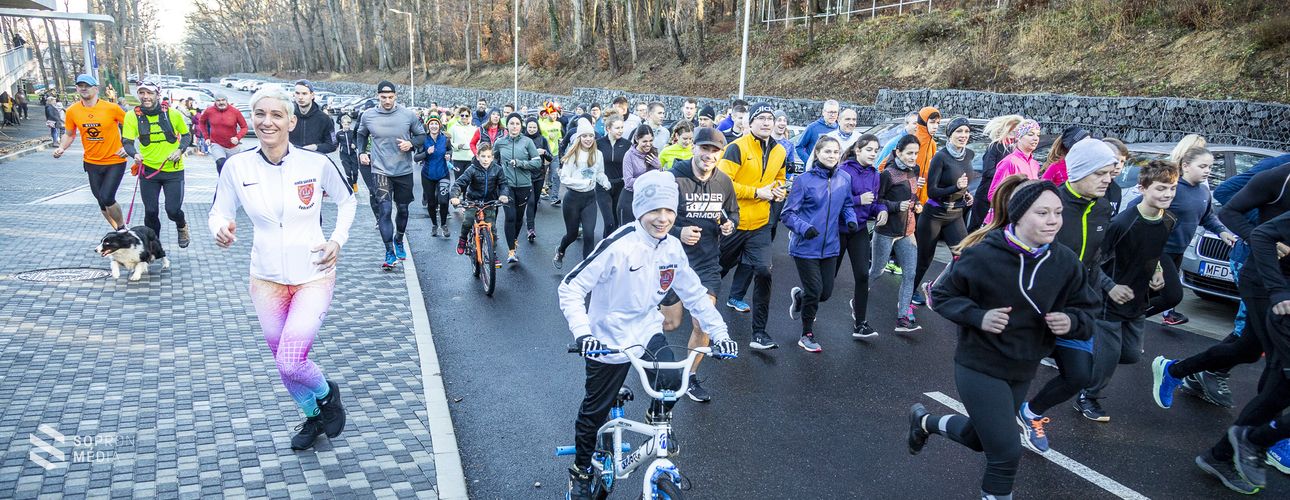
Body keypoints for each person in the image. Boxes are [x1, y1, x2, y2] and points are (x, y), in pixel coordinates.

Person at [910, 179, 1097, 500]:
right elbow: (940, 295)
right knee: (1007, 452)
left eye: (1058, 212)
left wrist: (1072, 321)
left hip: (1022, 368)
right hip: (979, 365)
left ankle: (924, 421)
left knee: (979, 438)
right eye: (1043, 213)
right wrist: (978, 316)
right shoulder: (983, 254)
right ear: (1019, 215)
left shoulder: (1065, 262)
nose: (1053, 220)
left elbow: (1088, 312)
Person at [559, 169, 738, 500]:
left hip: (646, 329)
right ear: (640, 210)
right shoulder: (620, 244)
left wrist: (720, 332)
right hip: (608, 339)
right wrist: (584, 334)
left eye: (669, 210)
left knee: (670, 380)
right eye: (655, 210)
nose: (663, 218)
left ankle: (658, 423)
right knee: (593, 412)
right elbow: (570, 287)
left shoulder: (671, 247)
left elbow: (696, 294)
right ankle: (581, 472)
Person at [208, 85, 355, 451]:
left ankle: (326, 395)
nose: (267, 122)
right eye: (260, 114)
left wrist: (337, 239)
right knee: (282, 361)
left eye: (276, 115)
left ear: (291, 121)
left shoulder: (315, 163)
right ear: (251, 120)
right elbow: (219, 211)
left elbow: (348, 200)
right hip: (266, 279)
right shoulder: (236, 166)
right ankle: (313, 417)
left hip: (314, 274)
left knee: (292, 361)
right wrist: (220, 229)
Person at [1015, 138, 1120, 430]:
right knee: (1015, 374)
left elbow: (1096, 256)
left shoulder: (1102, 207)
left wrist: (1096, 293)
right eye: (1100, 173)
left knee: (1078, 376)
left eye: (1110, 173)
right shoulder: (1050, 205)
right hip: (1037, 307)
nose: (1107, 180)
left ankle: (1031, 413)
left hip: (1075, 309)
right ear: (1079, 171)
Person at [661, 127, 739, 401]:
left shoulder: (724, 182)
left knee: (702, 324)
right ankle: (648, 351)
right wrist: (677, 231)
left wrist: (730, 225)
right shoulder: (673, 178)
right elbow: (652, 218)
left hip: (706, 264)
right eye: (704, 148)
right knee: (670, 322)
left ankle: (689, 377)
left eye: (715, 150)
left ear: (720, 154)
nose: (709, 155)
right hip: (671, 262)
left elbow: (732, 214)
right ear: (693, 148)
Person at [718, 103, 788, 349]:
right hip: (733, 221)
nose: (767, 122)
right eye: (762, 118)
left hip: (760, 224)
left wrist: (779, 191)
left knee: (764, 272)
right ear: (750, 122)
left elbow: (780, 178)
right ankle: (700, 318)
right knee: (717, 271)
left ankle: (759, 333)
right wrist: (756, 192)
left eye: (771, 118)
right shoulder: (736, 147)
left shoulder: (780, 150)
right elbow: (722, 183)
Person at [783, 136, 858, 352]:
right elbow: (788, 214)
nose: (832, 156)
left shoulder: (844, 178)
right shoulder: (803, 181)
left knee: (825, 293)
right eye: (827, 152)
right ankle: (806, 334)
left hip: (831, 246)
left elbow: (847, 205)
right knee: (815, 290)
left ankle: (800, 296)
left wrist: (850, 219)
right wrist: (804, 228)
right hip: (805, 246)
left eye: (835, 152)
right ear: (817, 153)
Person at [1154, 146, 1236, 326]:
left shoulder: (1203, 191)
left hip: (1179, 251)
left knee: (1154, 293)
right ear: (1186, 166)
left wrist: (1222, 232)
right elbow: (1140, 207)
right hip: (1160, 250)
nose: (1207, 171)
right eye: (1202, 166)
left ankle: (1128, 321)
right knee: (1173, 296)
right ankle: (1129, 316)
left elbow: (1207, 217)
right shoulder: (1173, 188)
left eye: (1210, 167)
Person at [357, 81, 427, 268]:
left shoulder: (407, 115)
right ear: (378, 96)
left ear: (395, 96)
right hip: (380, 170)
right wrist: (362, 152)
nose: (387, 101)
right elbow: (361, 134)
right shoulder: (368, 115)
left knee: (403, 209)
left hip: (403, 170)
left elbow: (422, 136)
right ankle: (389, 252)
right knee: (385, 210)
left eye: (390, 97)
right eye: (383, 97)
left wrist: (411, 143)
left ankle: (398, 239)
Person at [911, 117, 974, 306]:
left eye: (966, 132)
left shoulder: (969, 155)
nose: (963, 135)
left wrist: (966, 195)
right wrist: (956, 187)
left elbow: (963, 184)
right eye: (959, 132)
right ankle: (908, 293)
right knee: (924, 260)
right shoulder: (941, 157)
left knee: (964, 255)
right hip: (934, 214)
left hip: (955, 214)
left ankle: (939, 288)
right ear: (950, 134)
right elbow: (933, 191)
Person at [52, 74, 128, 230]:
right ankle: (117, 232)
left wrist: (127, 147)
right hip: (92, 162)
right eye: (80, 86)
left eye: (87, 85)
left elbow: (131, 127)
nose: (83, 88)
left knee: (107, 197)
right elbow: (69, 133)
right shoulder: (73, 110)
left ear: (96, 88)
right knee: (101, 200)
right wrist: (61, 147)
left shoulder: (112, 108)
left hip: (114, 160)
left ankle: (122, 228)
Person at [122, 81, 193, 248]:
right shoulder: (132, 116)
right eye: (142, 93)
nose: (145, 97)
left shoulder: (172, 114)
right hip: (148, 171)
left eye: (150, 93)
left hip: (173, 171)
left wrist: (180, 150)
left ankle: (182, 226)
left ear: (157, 95)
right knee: (151, 211)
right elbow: (127, 141)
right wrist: (135, 154)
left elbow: (186, 136)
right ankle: (154, 246)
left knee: (172, 210)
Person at [871, 135, 923, 332]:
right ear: (898, 152)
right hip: (887, 231)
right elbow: (878, 201)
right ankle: (859, 298)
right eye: (909, 153)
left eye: (916, 153)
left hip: (908, 231)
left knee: (910, 274)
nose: (913, 157)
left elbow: (912, 195)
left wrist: (917, 205)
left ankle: (903, 317)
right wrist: (895, 206)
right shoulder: (887, 174)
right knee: (877, 271)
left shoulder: (915, 170)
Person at [836, 134, 886, 338]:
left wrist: (881, 209)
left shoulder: (875, 174)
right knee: (829, 279)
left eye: (876, 150)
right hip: (839, 229)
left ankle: (861, 324)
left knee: (863, 275)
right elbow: (835, 200)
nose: (873, 153)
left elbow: (874, 201)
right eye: (869, 149)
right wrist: (858, 199)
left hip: (859, 229)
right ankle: (804, 298)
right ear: (858, 150)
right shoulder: (844, 170)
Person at [554, 122, 609, 268]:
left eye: (591, 135)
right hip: (572, 200)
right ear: (579, 137)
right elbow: (564, 179)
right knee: (572, 235)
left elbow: (600, 173)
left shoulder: (598, 154)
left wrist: (604, 181)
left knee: (589, 235)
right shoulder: (572, 155)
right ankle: (560, 250)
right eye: (584, 136)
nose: (588, 139)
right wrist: (582, 183)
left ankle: (586, 269)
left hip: (590, 200)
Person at [492, 112, 542, 265]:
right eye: (511, 123)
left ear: (521, 126)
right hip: (506, 186)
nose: (514, 126)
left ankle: (513, 240)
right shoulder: (500, 142)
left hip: (524, 186)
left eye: (517, 124)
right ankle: (511, 251)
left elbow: (537, 163)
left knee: (519, 219)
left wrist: (521, 163)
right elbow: (492, 162)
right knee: (510, 217)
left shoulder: (527, 142)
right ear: (507, 125)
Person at [450, 142, 510, 262]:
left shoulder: (497, 169)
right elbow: (459, 183)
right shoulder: (472, 169)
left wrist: (503, 194)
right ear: (477, 156)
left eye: (488, 156)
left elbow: (503, 183)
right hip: (473, 201)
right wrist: (455, 196)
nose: (485, 159)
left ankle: (492, 253)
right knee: (468, 220)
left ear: (492, 157)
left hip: (489, 202)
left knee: (492, 228)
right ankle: (462, 240)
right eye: (483, 156)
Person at [968, 115, 1024, 231]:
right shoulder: (995, 146)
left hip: (1003, 196)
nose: (1015, 132)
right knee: (976, 230)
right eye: (1014, 129)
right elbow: (988, 171)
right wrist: (1008, 175)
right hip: (986, 195)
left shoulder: (1016, 149)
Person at [982, 119, 1041, 225]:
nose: (1035, 138)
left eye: (1038, 135)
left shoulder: (1034, 164)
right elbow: (993, 195)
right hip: (1004, 222)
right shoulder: (1009, 162)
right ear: (1019, 137)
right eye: (1030, 134)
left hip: (1024, 220)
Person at [618, 125, 660, 228]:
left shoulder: (653, 153)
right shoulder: (629, 155)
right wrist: (647, 180)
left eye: (651, 141)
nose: (648, 144)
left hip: (647, 198)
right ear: (637, 139)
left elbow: (658, 178)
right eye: (645, 141)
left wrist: (659, 166)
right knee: (628, 233)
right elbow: (628, 182)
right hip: (630, 198)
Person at [417, 114, 452, 237]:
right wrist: (427, 152)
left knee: (443, 200)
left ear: (439, 125)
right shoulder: (423, 140)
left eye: (436, 123)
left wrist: (449, 155)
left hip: (443, 174)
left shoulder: (445, 139)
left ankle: (443, 224)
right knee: (431, 203)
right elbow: (416, 158)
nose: (434, 126)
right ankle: (434, 225)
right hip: (428, 175)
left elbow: (449, 150)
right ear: (428, 126)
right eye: (431, 123)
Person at [596, 115, 630, 237]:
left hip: (620, 185)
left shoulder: (627, 144)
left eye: (622, 127)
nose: (620, 130)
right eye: (617, 128)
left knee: (615, 222)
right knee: (609, 221)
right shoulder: (598, 144)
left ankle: (608, 245)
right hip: (603, 186)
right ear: (608, 129)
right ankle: (605, 248)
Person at [524, 116, 554, 239]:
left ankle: (530, 220)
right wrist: (534, 152)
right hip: (525, 174)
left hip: (539, 175)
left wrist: (544, 152)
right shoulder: (522, 139)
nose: (531, 129)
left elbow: (550, 158)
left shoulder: (543, 139)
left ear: (537, 128)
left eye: (534, 127)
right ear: (526, 127)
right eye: (529, 127)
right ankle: (531, 228)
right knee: (530, 202)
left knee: (535, 201)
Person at [288, 80, 337, 154]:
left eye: (304, 94)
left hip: (315, 160)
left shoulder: (324, 119)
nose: (300, 97)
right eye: (297, 93)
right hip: (291, 160)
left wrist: (316, 147)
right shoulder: (288, 116)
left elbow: (332, 144)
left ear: (312, 95)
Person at [199, 94, 249, 163]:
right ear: (215, 102)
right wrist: (206, 137)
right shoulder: (209, 111)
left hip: (232, 145)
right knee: (220, 162)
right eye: (218, 100)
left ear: (226, 101)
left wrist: (237, 137)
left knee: (232, 167)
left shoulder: (235, 111)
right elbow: (201, 122)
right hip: (216, 143)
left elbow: (244, 127)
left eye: (223, 100)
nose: (221, 102)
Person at [540, 103, 565, 204]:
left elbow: (559, 139)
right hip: (544, 154)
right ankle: (538, 196)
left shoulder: (558, 124)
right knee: (541, 177)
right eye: (552, 114)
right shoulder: (541, 124)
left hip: (554, 155)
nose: (554, 116)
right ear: (548, 114)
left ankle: (554, 198)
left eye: (556, 114)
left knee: (556, 175)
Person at [335, 114, 362, 194]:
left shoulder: (353, 132)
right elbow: (336, 143)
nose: (346, 126)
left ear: (350, 124)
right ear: (342, 124)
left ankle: (354, 183)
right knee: (348, 172)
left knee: (355, 172)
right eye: (344, 124)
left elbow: (358, 141)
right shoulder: (339, 133)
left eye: (348, 124)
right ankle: (350, 186)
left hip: (353, 154)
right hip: (344, 155)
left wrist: (355, 145)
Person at [449, 106, 478, 176]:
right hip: (457, 158)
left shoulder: (474, 129)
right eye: (462, 115)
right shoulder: (453, 128)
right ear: (459, 115)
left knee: (469, 182)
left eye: (466, 115)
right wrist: (457, 146)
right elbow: (449, 143)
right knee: (458, 181)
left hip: (470, 158)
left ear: (469, 116)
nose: (464, 117)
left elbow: (476, 143)